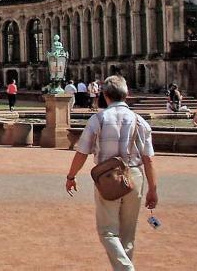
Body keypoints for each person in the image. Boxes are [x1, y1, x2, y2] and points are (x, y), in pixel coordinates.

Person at [65, 75, 158, 271]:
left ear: (105, 95)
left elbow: (82, 152)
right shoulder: (140, 121)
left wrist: (71, 176)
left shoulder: (98, 119)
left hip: (107, 177)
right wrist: (153, 189)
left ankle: (126, 268)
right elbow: (148, 159)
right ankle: (125, 267)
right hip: (134, 175)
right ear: (127, 95)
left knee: (107, 232)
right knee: (128, 234)